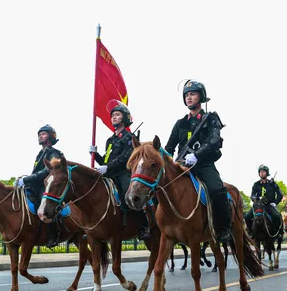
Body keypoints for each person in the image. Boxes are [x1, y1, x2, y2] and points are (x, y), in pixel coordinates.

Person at [164, 80, 232, 243]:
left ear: (201, 96)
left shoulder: (211, 118)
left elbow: (215, 140)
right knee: (160, 189)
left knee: (217, 189)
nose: (189, 97)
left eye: (192, 94)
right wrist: (163, 161)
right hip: (181, 167)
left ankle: (223, 228)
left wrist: (197, 155)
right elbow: (169, 147)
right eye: (186, 95)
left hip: (204, 165)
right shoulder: (180, 123)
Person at [90, 101, 150, 240]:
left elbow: (125, 158)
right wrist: (96, 155)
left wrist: (108, 167)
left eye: (117, 115)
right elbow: (106, 160)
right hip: (109, 174)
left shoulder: (130, 137)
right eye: (113, 115)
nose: (114, 117)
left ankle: (142, 225)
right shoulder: (110, 140)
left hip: (122, 173)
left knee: (130, 195)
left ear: (125, 118)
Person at [17, 124, 63, 247]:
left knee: (47, 206)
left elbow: (48, 171)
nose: (40, 136)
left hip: (46, 185)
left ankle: (53, 235)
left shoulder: (54, 153)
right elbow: (36, 172)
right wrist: (25, 180)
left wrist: (27, 180)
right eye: (39, 134)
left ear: (51, 136)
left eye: (43, 134)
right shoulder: (40, 154)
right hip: (35, 185)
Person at [250, 165, 283, 234]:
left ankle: (278, 232)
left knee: (277, 216)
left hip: (269, 205)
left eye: (263, 171)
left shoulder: (273, 184)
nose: (261, 173)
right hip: (258, 206)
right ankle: (251, 232)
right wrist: (255, 199)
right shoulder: (256, 184)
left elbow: (280, 195)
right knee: (247, 216)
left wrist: (275, 203)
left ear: (267, 173)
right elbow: (252, 195)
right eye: (260, 172)